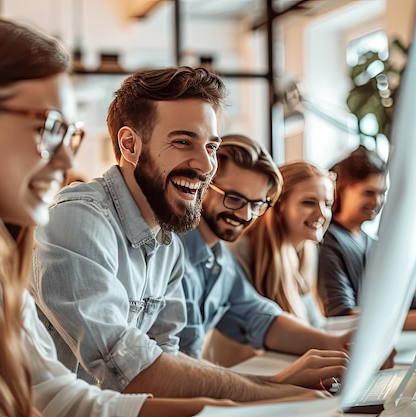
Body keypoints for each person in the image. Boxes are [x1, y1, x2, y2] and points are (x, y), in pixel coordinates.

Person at [0, 19, 302, 417]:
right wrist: (270, 397)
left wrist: (253, 406)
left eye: (70, 133)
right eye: (48, 128)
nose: (67, 159)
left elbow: (64, 399)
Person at [32, 67, 329, 401]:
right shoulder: (79, 219)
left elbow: (167, 358)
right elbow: (129, 366)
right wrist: (273, 391)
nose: (205, 166)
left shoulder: (166, 242)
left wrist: (278, 389)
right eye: (183, 142)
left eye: (211, 146)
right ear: (130, 144)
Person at [178, 136, 349, 379]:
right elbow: (174, 363)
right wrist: (276, 383)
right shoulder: (173, 256)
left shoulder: (220, 259)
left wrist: (339, 343)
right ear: (203, 185)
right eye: (234, 198)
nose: (245, 214)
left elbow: (261, 319)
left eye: (256, 204)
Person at [317, 145, 416, 330]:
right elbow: (341, 313)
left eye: (382, 193)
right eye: (369, 192)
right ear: (340, 190)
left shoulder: (367, 241)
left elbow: (397, 296)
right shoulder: (327, 242)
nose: (377, 202)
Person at [229, 160, 336, 329]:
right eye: (309, 202)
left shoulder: (307, 250)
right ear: (279, 205)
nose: (322, 213)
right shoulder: (241, 251)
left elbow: (317, 326)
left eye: (328, 204)